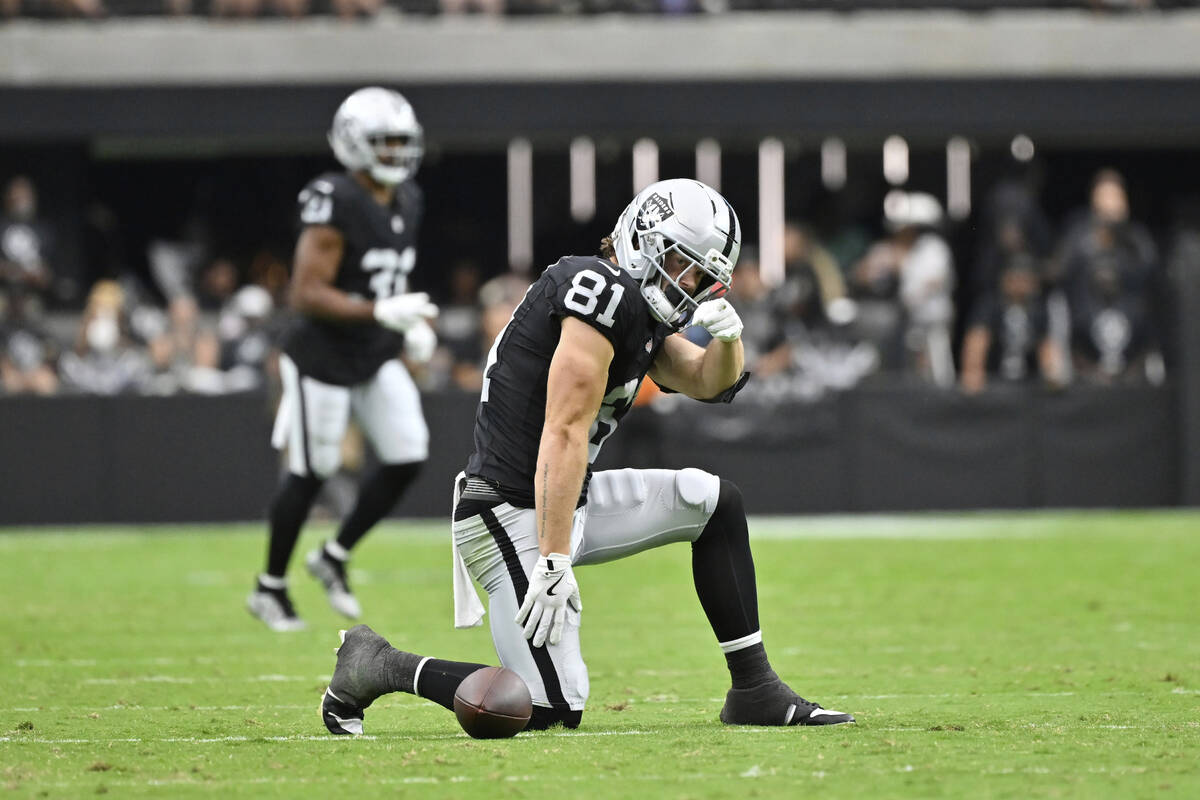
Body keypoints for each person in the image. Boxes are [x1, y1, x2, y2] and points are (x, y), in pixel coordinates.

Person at [319, 179, 855, 734]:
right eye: (682, 264)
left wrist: (728, 340)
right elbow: (565, 429)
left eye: (700, 275)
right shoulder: (600, 289)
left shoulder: (634, 308)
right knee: (547, 708)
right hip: (507, 510)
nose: (689, 284)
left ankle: (754, 690)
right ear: (643, 240)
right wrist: (553, 560)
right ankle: (378, 664)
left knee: (713, 502)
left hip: (562, 496)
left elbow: (706, 381)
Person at [247, 87, 439, 631]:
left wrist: (409, 325)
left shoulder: (408, 199)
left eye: (403, 141)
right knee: (313, 471)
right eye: (385, 141)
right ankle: (270, 587)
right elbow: (305, 293)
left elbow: (386, 282)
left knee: (407, 455)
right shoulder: (334, 197)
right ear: (353, 143)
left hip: (373, 352)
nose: (397, 152)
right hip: (322, 357)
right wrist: (381, 312)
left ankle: (333, 555)